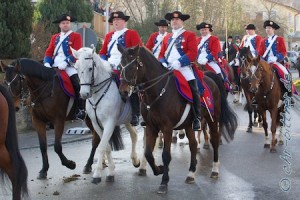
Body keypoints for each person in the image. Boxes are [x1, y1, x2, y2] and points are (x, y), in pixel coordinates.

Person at [158, 11, 201, 131]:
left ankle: (197, 117)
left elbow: (193, 53)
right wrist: (163, 62)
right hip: (167, 68)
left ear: (182, 21)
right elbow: (161, 54)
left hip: (183, 68)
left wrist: (179, 62)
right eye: (172, 20)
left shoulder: (189, 35)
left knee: (194, 88)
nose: (174, 21)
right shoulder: (167, 37)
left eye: (177, 19)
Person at [99, 11, 143, 126]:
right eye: (114, 20)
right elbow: (103, 52)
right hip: (109, 65)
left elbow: (137, 51)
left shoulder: (131, 33)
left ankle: (135, 114)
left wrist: (126, 64)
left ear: (124, 21)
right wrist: (104, 62)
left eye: (118, 20)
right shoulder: (109, 36)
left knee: (130, 86)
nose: (116, 22)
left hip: (125, 66)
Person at [43, 13, 86, 120]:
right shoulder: (55, 37)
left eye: (67, 23)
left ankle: (81, 109)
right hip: (54, 65)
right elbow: (48, 52)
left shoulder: (76, 36)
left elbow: (77, 53)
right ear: (60, 25)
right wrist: (47, 63)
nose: (66, 25)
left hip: (69, 66)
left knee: (77, 84)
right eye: (63, 23)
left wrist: (66, 63)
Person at [257, 20, 294, 105]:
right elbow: (260, 53)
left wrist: (276, 57)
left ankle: (288, 94)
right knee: (256, 75)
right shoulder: (263, 41)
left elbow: (283, 51)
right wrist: (263, 60)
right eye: (266, 28)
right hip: (266, 62)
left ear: (273, 29)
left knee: (286, 74)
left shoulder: (279, 39)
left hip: (276, 62)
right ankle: (257, 96)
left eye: (269, 28)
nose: (268, 29)